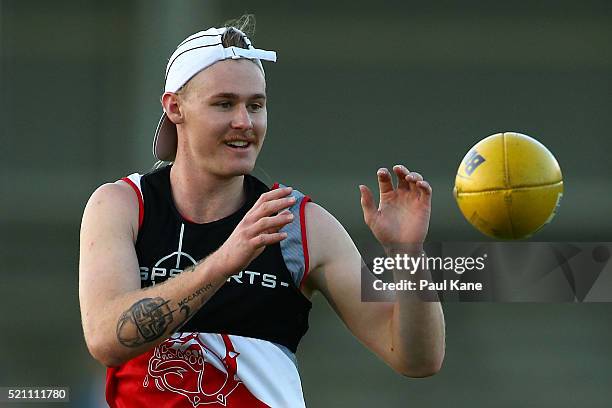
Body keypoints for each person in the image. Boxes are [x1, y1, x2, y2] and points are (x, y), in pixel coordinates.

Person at [79, 15, 445, 407]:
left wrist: (409, 254)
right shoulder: (123, 205)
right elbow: (106, 340)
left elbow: (417, 359)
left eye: (256, 105)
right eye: (224, 104)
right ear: (175, 108)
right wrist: (222, 263)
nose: (244, 122)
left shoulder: (299, 224)